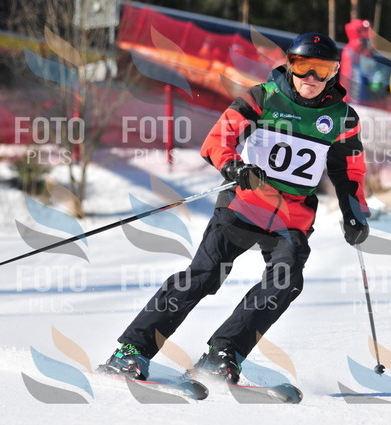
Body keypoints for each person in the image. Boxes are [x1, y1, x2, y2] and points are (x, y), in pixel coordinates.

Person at [100, 32, 370, 384]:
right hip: (245, 204)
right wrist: (233, 166)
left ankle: (223, 353)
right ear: (290, 66)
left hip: (292, 216)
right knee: (205, 275)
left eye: (322, 69)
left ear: (334, 72)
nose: (311, 78)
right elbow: (218, 139)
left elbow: (348, 170)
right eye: (303, 66)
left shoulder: (342, 117)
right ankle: (132, 350)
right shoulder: (263, 97)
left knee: (285, 283)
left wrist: (354, 212)